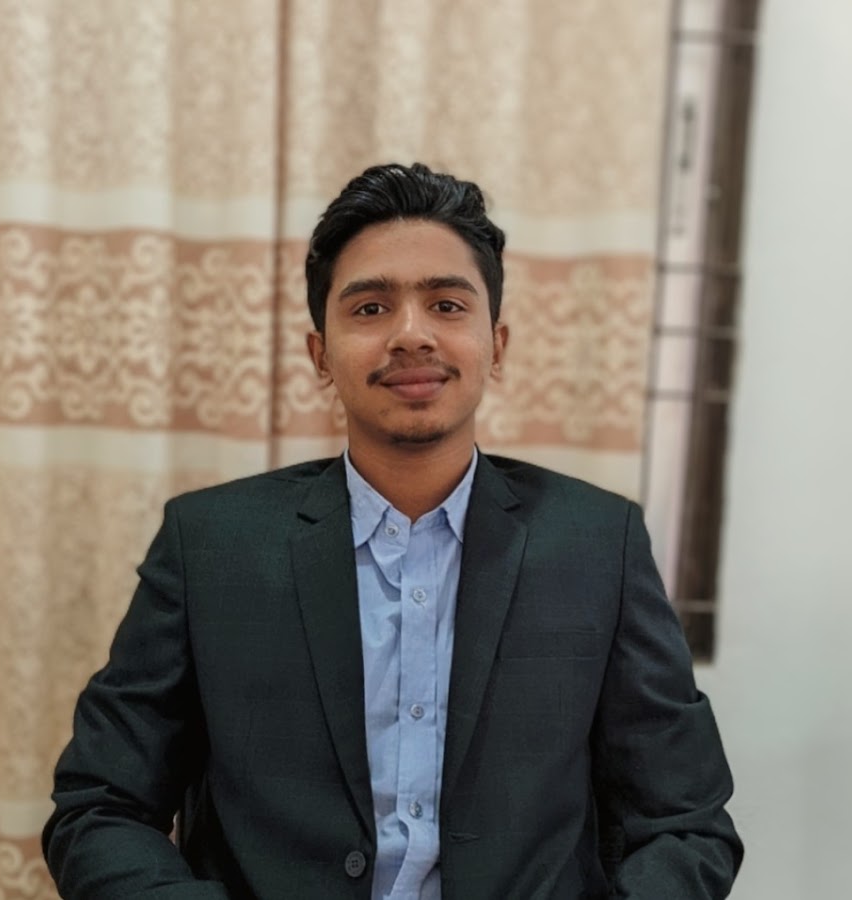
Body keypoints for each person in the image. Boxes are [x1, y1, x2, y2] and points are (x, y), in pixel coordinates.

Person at [43, 162, 742, 899]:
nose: (412, 335)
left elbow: (687, 824)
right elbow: (99, 807)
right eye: (371, 308)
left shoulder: (598, 544)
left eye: (447, 304)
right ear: (320, 354)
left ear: (497, 343)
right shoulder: (211, 546)